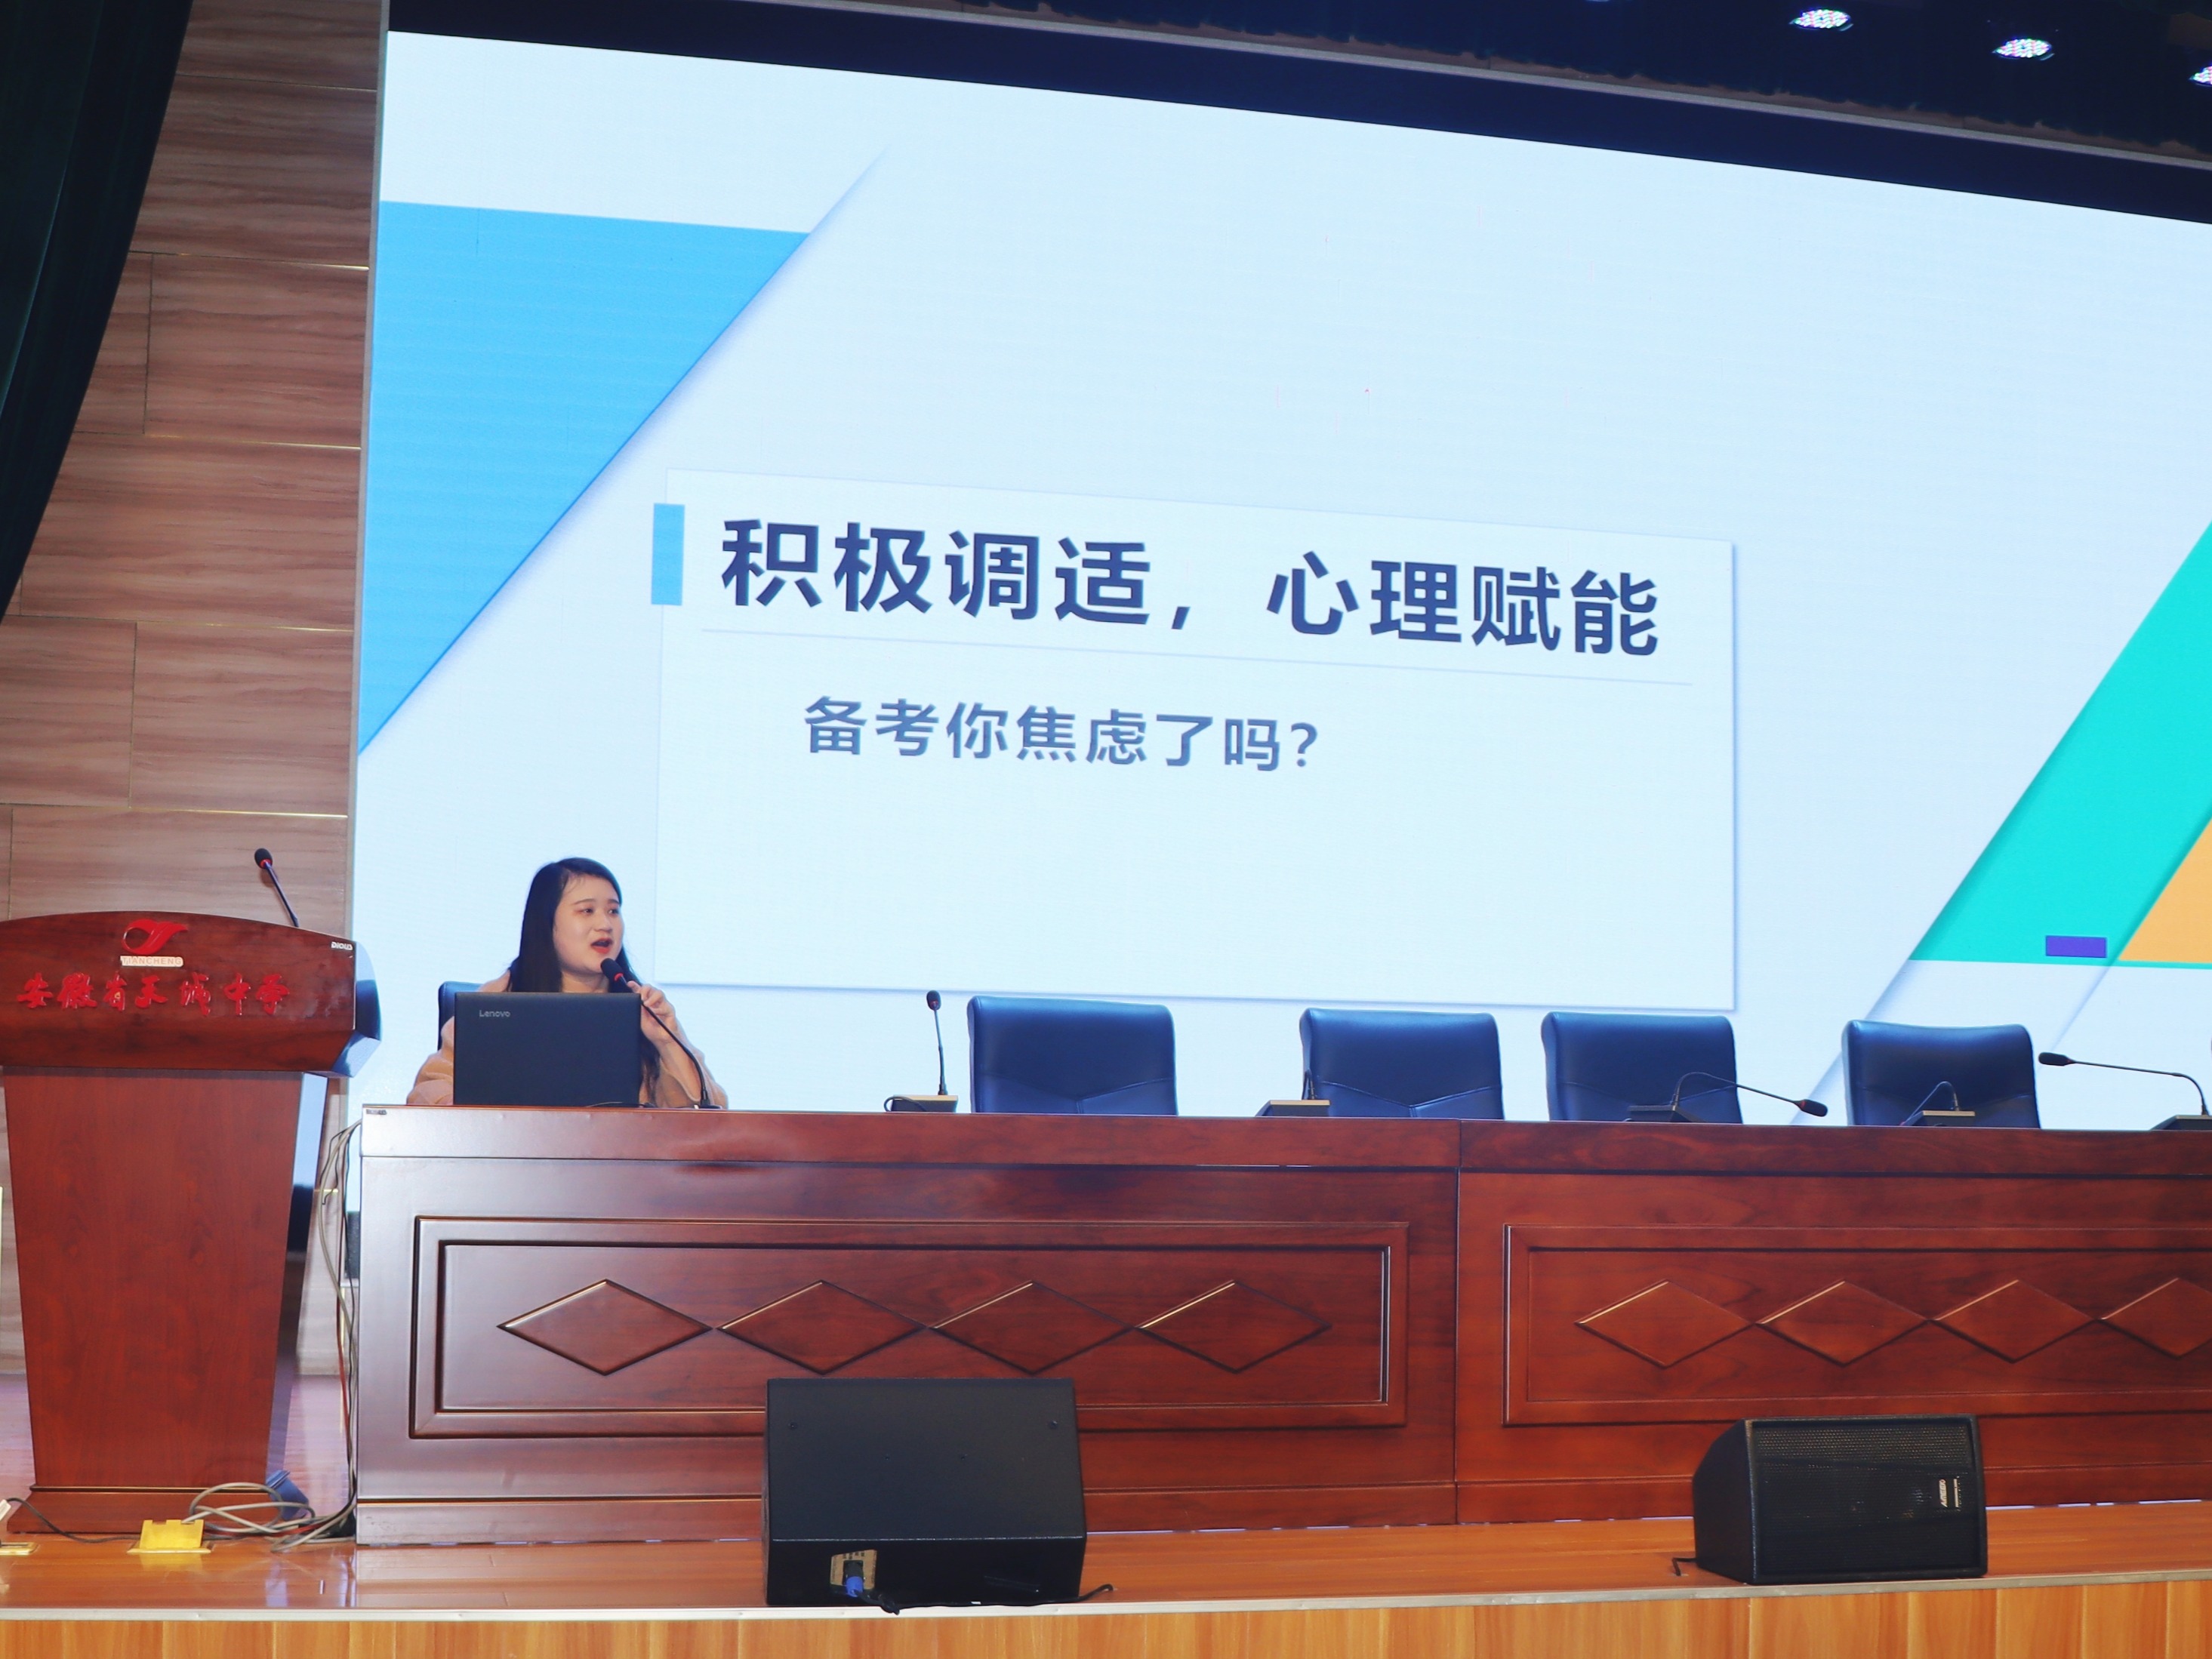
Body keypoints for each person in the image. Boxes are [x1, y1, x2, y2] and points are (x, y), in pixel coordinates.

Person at [408, 857, 728, 1107]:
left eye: (613, 911)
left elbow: (706, 1116)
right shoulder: (500, 999)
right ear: (546, 924)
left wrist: (667, 1042)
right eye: (587, 911)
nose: (605, 924)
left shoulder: (643, 1008)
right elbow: (429, 1091)